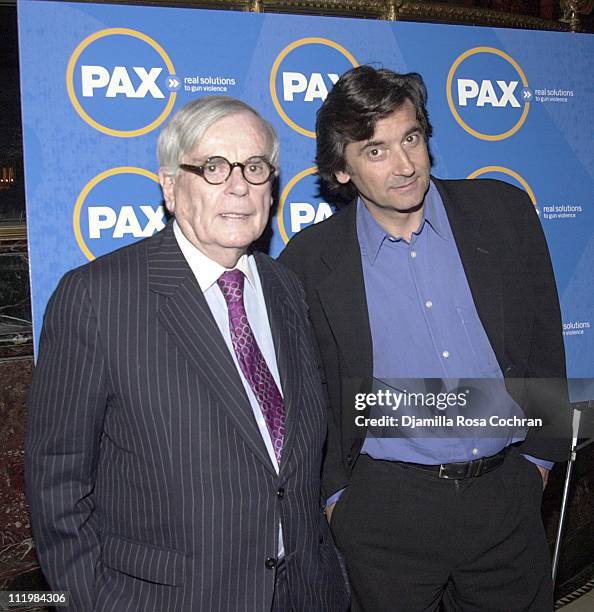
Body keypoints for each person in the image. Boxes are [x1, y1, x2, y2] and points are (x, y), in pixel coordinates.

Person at [26, 96, 348, 612]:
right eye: (214, 167)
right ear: (172, 187)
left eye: (255, 167)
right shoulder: (97, 296)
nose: (239, 184)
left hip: (305, 592)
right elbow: (56, 481)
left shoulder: (286, 287)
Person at [279, 66, 570, 611]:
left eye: (411, 138)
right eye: (376, 150)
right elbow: (309, 394)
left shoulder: (503, 213)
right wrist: (339, 500)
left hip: (506, 493)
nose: (406, 165)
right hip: (385, 509)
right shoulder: (310, 261)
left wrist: (538, 464)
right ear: (341, 170)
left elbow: (542, 342)